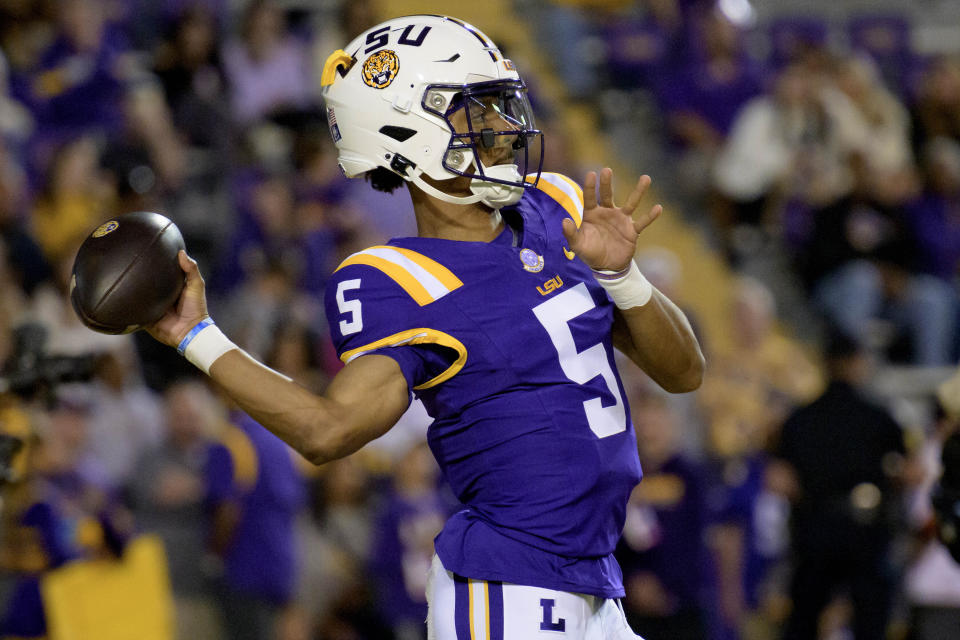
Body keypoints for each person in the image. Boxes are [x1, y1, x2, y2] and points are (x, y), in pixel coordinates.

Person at [145, 15, 704, 639]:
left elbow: (684, 373)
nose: (503, 127)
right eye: (477, 111)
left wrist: (625, 278)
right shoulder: (397, 279)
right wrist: (198, 337)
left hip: (596, 577)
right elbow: (328, 431)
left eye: (499, 106)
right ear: (405, 131)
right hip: (510, 582)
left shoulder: (558, 209)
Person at [772, 329, 906, 640]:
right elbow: (903, 469)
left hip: (814, 528)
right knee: (870, 621)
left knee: (803, 618)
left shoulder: (799, 419)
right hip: (866, 530)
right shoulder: (878, 418)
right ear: (857, 362)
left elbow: (783, 478)